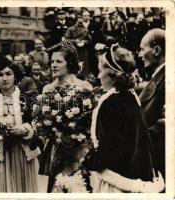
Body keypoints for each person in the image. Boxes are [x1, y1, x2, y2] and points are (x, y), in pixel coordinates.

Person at [88, 43, 163, 192]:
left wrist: (90, 161)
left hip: (118, 183)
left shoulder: (112, 104)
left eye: (100, 71)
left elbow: (110, 152)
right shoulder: (130, 96)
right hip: (136, 176)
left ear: (112, 75)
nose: (98, 76)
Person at [0, 45, 41, 192]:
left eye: (8, 74)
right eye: (0, 75)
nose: (4, 78)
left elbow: (36, 124)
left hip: (23, 151)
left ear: (15, 76)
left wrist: (25, 130)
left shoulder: (27, 97)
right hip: (1, 152)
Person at [40, 40, 93, 192]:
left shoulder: (83, 87)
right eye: (52, 61)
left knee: (78, 185)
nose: (53, 65)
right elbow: (43, 120)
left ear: (69, 63)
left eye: (59, 61)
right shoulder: (48, 89)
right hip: (56, 147)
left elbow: (90, 121)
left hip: (78, 147)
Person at [138, 28, 165, 178]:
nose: (140, 55)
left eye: (142, 49)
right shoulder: (161, 75)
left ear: (156, 50)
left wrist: (138, 136)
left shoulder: (167, 78)